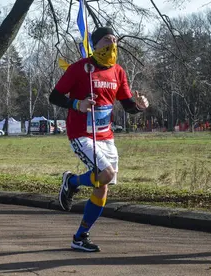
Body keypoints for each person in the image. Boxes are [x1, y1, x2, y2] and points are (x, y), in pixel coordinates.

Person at [49, 27, 149, 252]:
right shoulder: (79, 68)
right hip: (81, 134)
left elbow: (128, 105)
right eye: (106, 40)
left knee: (102, 187)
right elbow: (54, 96)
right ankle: (72, 182)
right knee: (106, 174)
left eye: (114, 40)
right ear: (95, 44)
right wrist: (78, 104)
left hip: (105, 136)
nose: (112, 44)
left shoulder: (118, 71)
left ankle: (79, 236)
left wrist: (139, 107)